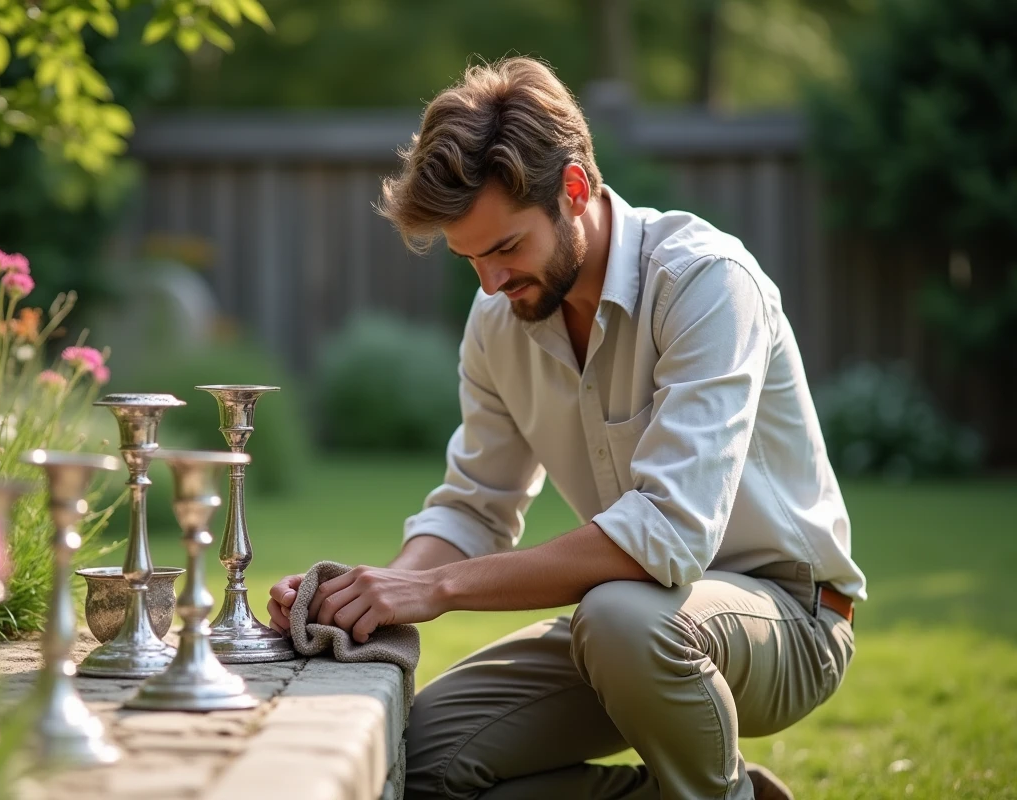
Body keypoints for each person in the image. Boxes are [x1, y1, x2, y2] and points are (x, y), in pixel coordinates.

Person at [267, 57, 863, 800]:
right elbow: (475, 508)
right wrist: (365, 598)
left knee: (619, 618)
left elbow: (667, 533)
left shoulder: (706, 283)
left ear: (574, 189)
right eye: (470, 258)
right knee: (421, 762)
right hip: (633, 622)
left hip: (791, 620)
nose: (490, 283)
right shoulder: (499, 319)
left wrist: (438, 588)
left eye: (506, 248)